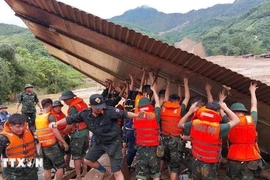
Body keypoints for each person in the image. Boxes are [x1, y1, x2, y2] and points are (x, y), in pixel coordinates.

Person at [49, 94, 145, 180]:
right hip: (100, 142)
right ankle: (103, 171)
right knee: (87, 160)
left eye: (101, 106)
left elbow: (125, 114)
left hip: (113, 142)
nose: (100, 109)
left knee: (117, 172)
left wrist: (137, 116)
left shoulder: (109, 111)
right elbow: (69, 119)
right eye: (97, 107)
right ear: (91, 106)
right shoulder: (85, 114)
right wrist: (56, 124)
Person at [178, 101, 239, 179]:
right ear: (217, 112)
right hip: (210, 163)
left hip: (196, 160)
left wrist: (190, 112)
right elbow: (236, 120)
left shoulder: (194, 123)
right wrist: (225, 108)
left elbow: (179, 124)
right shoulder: (219, 128)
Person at [220, 83, 261, 180]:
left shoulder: (230, 122)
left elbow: (221, 112)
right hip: (251, 158)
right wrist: (252, 92)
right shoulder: (252, 120)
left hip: (235, 157)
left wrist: (221, 101)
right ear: (243, 111)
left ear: (233, 112)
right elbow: (254, 106)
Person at [160, 77, 190, 180]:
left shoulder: (163, 107)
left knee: (166, 161)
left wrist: (168, 84)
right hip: (176, 141)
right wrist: (185, 83)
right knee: (175, 167)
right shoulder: (181, 109)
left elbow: (166, 98)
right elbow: (187, 98)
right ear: (178, 101)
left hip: (164, 140)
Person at [35, 98, 68, 180]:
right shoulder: (50, 116)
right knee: (60, 167)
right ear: (50, 105)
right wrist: (63, 142)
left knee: (47, 168)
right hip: (52, 146)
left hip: (42, 147)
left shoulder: (38, 117)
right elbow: (55, 130)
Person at [59, 90, 89, 179]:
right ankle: (85, 171)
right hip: (85, 131)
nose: (64, 102)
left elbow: (71, 123)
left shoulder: (73, 108)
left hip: (77, 134)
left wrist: (64, 132)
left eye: (65, 100)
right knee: (83, 153)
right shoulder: (81, 104)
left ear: (70, 98)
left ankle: (78, 176)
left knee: (76, 156)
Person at [133, 85, 161, 180]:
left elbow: (138, 108)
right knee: (156, 174)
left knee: (141, 175)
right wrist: (154, 91)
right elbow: (157, 104)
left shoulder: (135, 117)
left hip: (141, 148)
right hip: (153, 149)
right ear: (149, 105)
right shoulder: (155, 115)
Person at [0, 114, 38, 179]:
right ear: (10, 126)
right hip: (12, 171)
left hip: (30, 168)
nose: (21, 129)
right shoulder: (3, 138)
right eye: (18, 127)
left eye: (23, 126)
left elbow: (34, 147)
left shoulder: (29, 132)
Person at [51, 100, 73, 171]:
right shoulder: (51, 115)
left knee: (69, 151)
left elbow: (67, 122)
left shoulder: (62, 114)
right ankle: (60, 169)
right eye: (56, 107)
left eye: (59, 107)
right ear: (53, 107)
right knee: (60, 154)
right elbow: (53, 128)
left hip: (65, 134)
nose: (58, 108)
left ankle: (67, 166)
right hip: (58, 137)